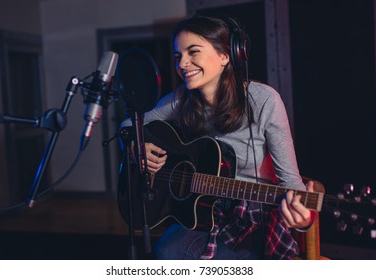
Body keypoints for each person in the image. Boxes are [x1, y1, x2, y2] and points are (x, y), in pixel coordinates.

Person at [120, 15, 314, 259]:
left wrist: (304, 218)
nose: (183, 64)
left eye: (193, 52)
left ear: (225, 55)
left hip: (252, 217)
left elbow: (290, 180)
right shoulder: (181, 99)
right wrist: (137, 146)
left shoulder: (265, 100)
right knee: (168, 252)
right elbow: (130, 124)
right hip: (202, 211)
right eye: (178, 56)